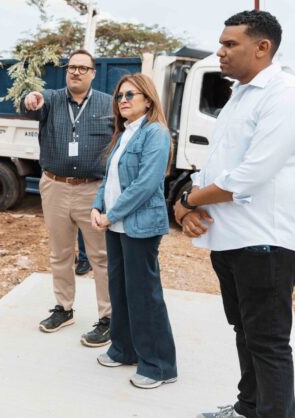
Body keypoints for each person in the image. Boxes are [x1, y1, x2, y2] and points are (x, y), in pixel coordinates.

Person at [171, 11, 295, 418]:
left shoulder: (286, 93)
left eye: (229, 44)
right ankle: (247, 408)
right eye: (221, 43)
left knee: (268, 342)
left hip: (266, 241)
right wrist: (188, 205)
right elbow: (215, 166)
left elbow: (250, 176)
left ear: (262, 47)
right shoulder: (240, 93)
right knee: (246, 332)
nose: (220, 51)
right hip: (232, 238)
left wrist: (189, 202)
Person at [22, 49, 113, 346]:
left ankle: (108, 318)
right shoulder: (49, 99)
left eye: (83, 68)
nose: (76, 72)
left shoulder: (107, 104)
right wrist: (29, 100)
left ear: (93, 73)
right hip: (55, 186)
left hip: (93, 189)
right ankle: (63, 309)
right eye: (72, 67)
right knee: (60, 253)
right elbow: (28, 107)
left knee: (101, 256)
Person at [91, 73, 177, 389]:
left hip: (138, 227)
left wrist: (111, 214)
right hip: (115, 226)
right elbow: (108, 179)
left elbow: (146, 184)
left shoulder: (155, 133)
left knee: (144, 296)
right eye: (120, 96)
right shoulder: (124, 133)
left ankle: (159, 365)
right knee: (121, 290)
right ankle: (124, 349)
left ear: (148, 99)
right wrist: (97, 208)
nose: (123, 100)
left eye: (131, 94)